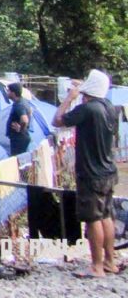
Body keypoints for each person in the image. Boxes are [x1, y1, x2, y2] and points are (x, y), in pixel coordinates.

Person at [52, 70, 121, 278]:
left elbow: (57, 120)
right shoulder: (109, 107)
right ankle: (110, 262)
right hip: (108, 170)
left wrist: (69, 99)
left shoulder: (87, 109)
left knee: (92, 219)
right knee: (106, 215)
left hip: (90, 174)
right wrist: (82, 86)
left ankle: (96, 267)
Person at [6, 83, 32, 155]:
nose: (7, 93)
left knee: (17, 159)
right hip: (22, 137)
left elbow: (24, 120)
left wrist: (20, 129)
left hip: (19, 139)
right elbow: (30, 112)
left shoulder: (19, 105)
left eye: (8, 91)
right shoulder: (24, 101)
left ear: (13, 93)